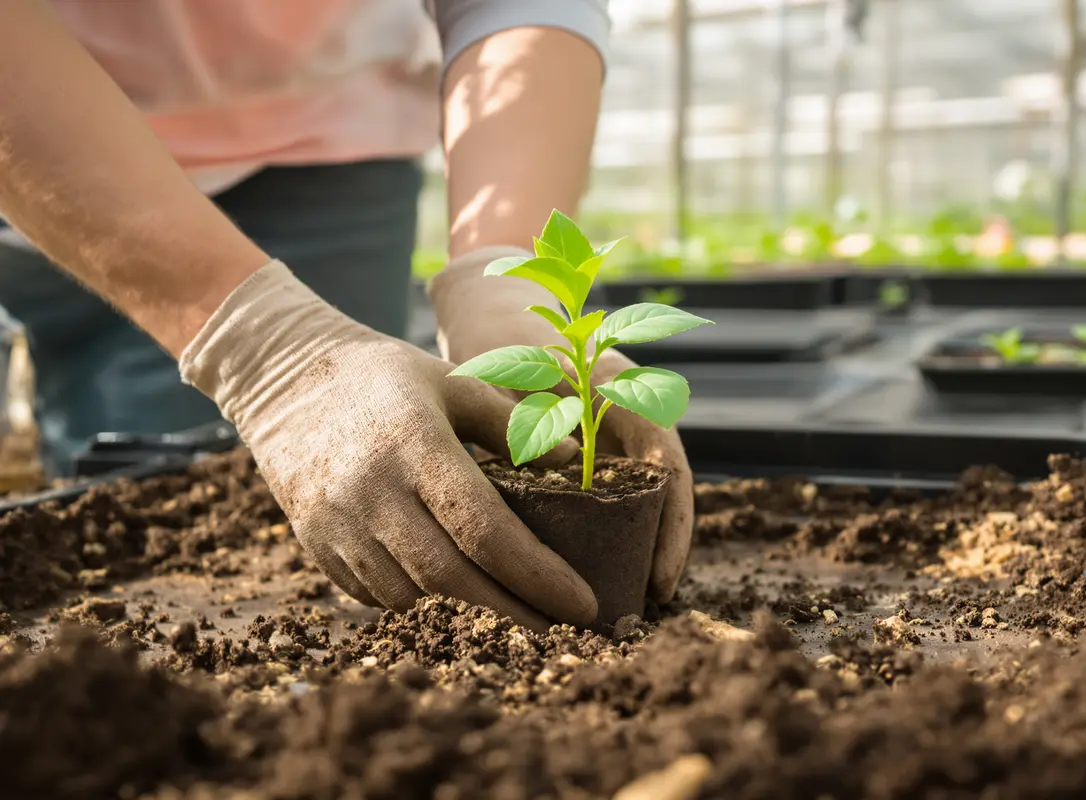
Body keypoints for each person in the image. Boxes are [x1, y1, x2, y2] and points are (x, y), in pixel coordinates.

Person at [0, 0, 695, 632]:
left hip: (329, 136)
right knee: (127, 515)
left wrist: (501, 267)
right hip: (43, 124)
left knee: (376, 468)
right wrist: (270, 351)